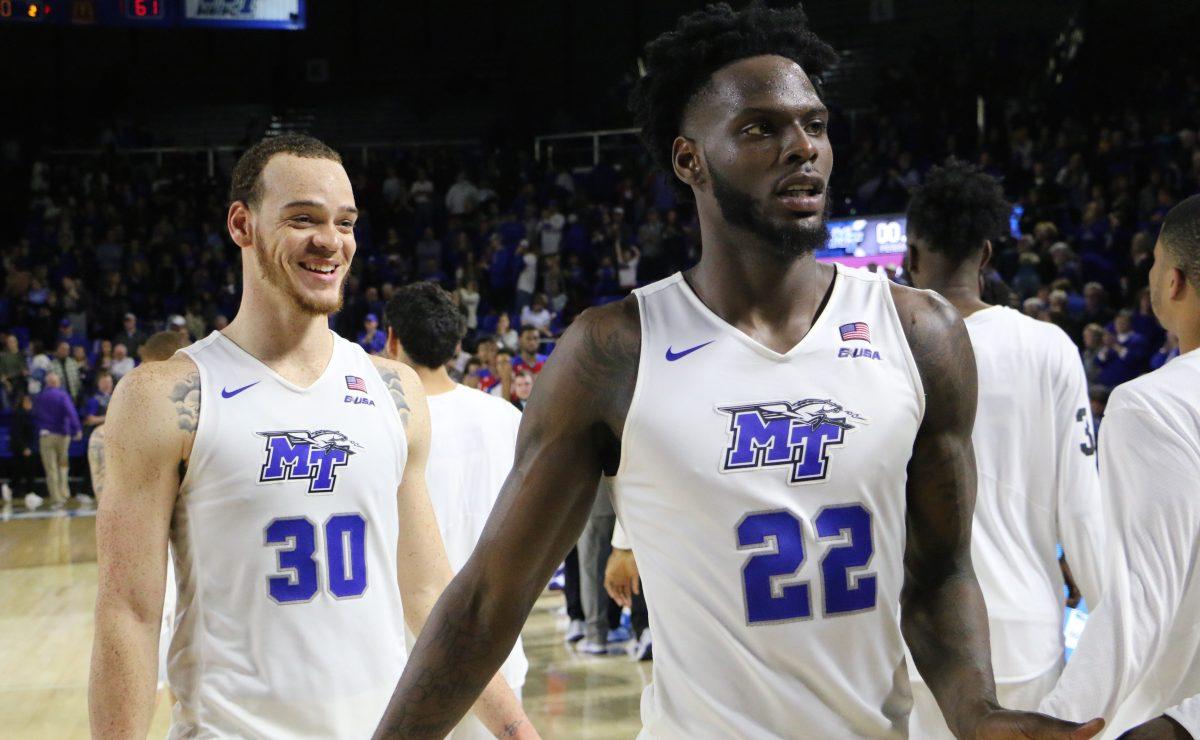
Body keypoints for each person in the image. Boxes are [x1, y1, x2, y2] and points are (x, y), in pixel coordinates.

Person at [374, 5, 1101, 739]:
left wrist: (975, 712)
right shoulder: (613, 353)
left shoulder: (921, 334)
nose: (802, 149)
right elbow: (486, 602)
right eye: (761, 129)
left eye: (815, 125)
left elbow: (941, 573)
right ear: (690, 160)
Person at [88, 134, 532, 739]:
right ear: (242, 225)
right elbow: (130, 615)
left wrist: (516, 730)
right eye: (303, 219)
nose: (331, 241)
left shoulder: (392, 391)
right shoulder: (163, 397)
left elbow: (429, 595)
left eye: (344, 222)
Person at [903, 159, 1106, 737]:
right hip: (1025, 632)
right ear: (987, 255)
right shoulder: (1049, 347)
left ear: (912, 256)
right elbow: (1084, 509)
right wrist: (1116, 627)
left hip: (920, 643)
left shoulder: (886, 350)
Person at [1039, 194, 1200, 738]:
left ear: (1173, 280)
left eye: (1154, 262)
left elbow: (1141, 597)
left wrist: (1056, 723)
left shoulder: (1155, 403)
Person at [382, 281, 530, 740]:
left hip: (411, 659)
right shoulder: (507, 418)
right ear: (455, 344)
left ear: (392, 341)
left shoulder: (385, 426)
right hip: (498, 647)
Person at [33, 371, 82, 507]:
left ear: (48, 383)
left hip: (46, 436)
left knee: (51, 468)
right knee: (63, 466)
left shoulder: (40, 397)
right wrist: (76, 429)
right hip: (63, 435)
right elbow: (70, 412)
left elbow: (34, 414)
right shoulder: (62, 395)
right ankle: (64, 493)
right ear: (58, 382)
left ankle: (56, 498)